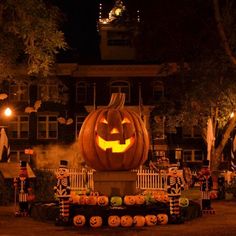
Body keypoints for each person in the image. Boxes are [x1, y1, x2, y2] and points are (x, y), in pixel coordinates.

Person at [54, 160, 71, 226]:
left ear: (66, 171)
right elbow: (56, 185)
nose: (61, 172)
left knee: (65, 205)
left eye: (63, 170)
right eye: (60, 170)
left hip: (65, 194)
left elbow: (68, 185)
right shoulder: (58, 179)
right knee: (61, 204)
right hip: (60, 193)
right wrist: (55, 190)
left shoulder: (67, 178)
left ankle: (65, 217)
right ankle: (61, 215)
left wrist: (68, 191)